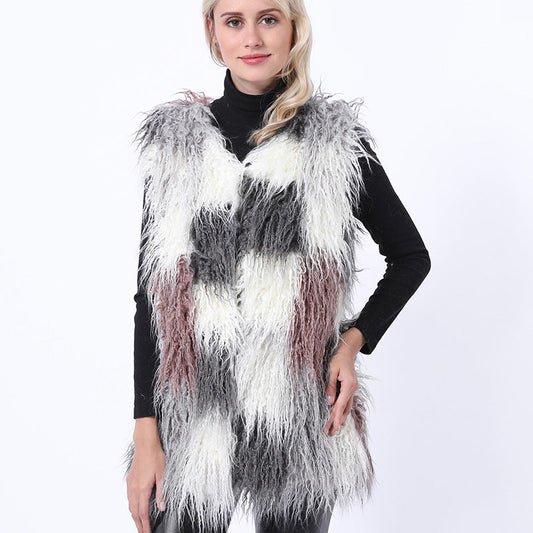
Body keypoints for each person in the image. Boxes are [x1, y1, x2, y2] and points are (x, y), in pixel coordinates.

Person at [123, 1, 431, 532]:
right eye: (234, 21)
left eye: (268, 19)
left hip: (298, 414)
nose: (252, 38)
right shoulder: (176, 149)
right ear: (213, 33)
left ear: (293, 29)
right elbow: (151, 299)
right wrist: (145, 430)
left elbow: (410, 257)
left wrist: (350, 345)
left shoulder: (334, 146)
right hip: (195, 415)